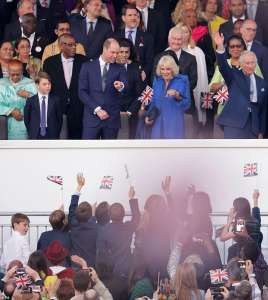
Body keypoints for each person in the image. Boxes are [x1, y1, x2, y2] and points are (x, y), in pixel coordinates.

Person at [214, 32, 268, 138]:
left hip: (253, 126)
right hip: (234, 123)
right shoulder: (234, 76)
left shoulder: (262, 83)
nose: (250, 65)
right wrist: (220, 46)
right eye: (247, 63)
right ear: (241, 64)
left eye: (252, 63)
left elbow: (263, 110)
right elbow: (223, 66)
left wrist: (261, 131)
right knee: (231, 154)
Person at [152, 26, 197, 138]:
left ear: (183, 40)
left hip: (181, 105)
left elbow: (193, 81)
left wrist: (179, 91)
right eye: (174, 38)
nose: (176, 42)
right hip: (161, 107)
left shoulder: (191, 58)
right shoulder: (159, 57)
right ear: (169, 39)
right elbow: (154, 77)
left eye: (179, 39)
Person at [79, 38, 127, 139]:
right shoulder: (87, 67)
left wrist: (121, 86)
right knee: (88, 152)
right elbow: (82, 92)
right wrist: (97, 109)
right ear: (104, 49)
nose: (115, 55)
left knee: (110, 153)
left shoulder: (120, 68)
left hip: (111, 119)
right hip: (92, 119)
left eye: (117, 53)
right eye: (112, 52)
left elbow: (125, 85)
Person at [43, 33, 87, 139]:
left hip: (78, 107)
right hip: (57, 107)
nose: (74, 47)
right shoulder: (49, 63)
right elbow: (46, 86)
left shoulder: (84, 61)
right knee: (56, 139)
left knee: (76, 140)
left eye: (75, 45)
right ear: (61, 46)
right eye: (70, 45)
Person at [176, 22, 211, 137]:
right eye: (180, 31)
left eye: (186, 32)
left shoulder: (197, 51)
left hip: (195, 93)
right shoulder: (169, 50)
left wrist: (205, 104)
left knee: (195, 129)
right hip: (175, 96)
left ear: (190, 34)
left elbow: (204, 79)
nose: (183, 34)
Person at [145, 55, 191, 139]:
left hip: (174, 125)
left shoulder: (182, 80)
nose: (165, 72)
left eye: (168, 69)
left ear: (173, 69)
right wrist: (149, 115)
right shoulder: (157, 80)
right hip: (158, 125)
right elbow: (154, 101)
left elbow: (187, 105)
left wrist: (177, 95)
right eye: (162, 69)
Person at [114, 4, 154, 80]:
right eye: (130, 15)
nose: (133, 18)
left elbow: (150, 61)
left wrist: (144, 72)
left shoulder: (148, 38)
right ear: (123, 18)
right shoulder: (114, 37)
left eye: (135, 15)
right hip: (118, 78)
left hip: (139, 78)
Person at [116, 38, 146, 139]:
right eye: (121, 52)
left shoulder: (135, 68)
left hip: (132, 111)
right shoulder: (109, 67)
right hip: (113, 112)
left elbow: (141, 92)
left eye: (126, 52)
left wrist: (130, 111)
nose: (124, 55)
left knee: (131, 140)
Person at [0, 59, 37, 140]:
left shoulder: (30, 83)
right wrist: (11, 111)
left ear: (22, 71)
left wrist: (28, 95)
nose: (15, 77)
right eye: (12, 74)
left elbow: (39, 104)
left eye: (18, 74)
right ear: (8, 71)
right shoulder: (1, 84)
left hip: (25, 124)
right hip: (5, 124)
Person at [68, 173, 98, 267]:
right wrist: (93, 213)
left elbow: (72, 206)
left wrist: (79, 186)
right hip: (90, 265)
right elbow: (92, 218)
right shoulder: (94, 226)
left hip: (75, 264)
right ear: (90, 215)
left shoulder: (73, 223)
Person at [220, 196, 261, 261]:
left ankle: (231, 270)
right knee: (232, 248)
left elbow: (222, 238)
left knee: (232, 250)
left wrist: (230, 219)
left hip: (244, 255)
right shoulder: (254, 220)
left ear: (237, 209)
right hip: (255, 252)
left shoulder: (240, 222)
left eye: (233, 207)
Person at [24, 71, 62, 139]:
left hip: (52, 134)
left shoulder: (56, 100)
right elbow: (27, 119)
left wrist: (56, 133)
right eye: (44, 84)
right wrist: (31, 131)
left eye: (49, 84)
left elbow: (59, 119)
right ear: (37, 85)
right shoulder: (31, 101)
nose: (48, 86)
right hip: (35, 134)